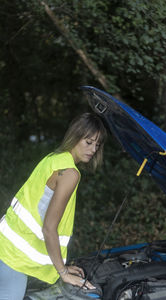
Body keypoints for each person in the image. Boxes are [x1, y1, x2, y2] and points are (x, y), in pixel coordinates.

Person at [0, 112, 107, 300]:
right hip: (12, 257)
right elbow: (49, 228)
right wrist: (63, 272)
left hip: (6, 244)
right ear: (75, 137)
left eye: (97, 145)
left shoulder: (53, 158)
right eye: (88, 142)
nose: (93, 149)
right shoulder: (70, 174)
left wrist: (61, 266)